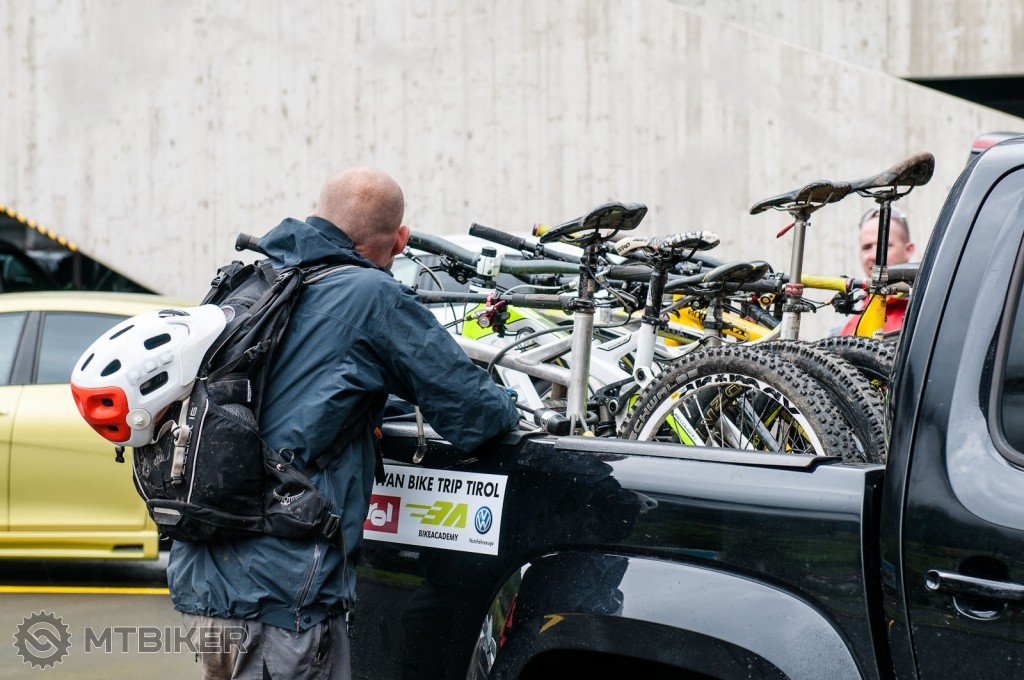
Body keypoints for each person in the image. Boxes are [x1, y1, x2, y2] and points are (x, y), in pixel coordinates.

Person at [167, 166, 521, 679]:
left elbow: (300, 396)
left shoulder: (251, 282)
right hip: (283, 595)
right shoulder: (372, 297)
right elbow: (478, 415)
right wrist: (513, 401)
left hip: (203, 577)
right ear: (400, 240)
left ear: (314, 216)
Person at [837, 206, 916, 336]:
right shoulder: (844, 325)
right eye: (867, 247)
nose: (874, 256)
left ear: (908, 250)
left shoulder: (929, 308)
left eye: (885, 246)